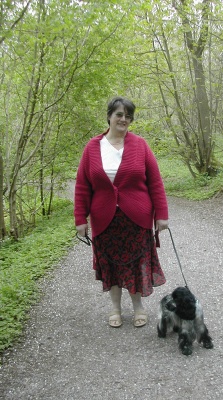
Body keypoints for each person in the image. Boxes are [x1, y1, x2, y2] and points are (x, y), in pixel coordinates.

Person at [74, 96, 169, 328]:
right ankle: (115, 308)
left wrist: (161, 215)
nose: (124, 119)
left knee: (136, 263)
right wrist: (80, 219)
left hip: (136, 218)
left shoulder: (140, 145)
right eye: (119, 114)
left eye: (128, 116)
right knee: (111, 265)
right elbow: (82, 186)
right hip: (104, 219)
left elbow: (155, 182)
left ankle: (138, 308)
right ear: (109, 116)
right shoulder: (92, 147)